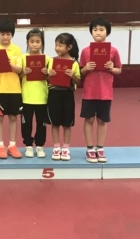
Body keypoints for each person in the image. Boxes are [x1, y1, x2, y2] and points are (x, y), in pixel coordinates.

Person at [79, 17, 122, 163]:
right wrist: (86, 68)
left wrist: (112, 68)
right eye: (95, 29)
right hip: (89, 92)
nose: (98, 32)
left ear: (107, 32)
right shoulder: (85, 51)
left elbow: (119, 70)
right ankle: (90, 148)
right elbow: (80, 71)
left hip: (105, 92)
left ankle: (100, 148)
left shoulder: (113, 51)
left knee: (102, 120)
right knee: (89, 119)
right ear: (91, 32)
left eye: (102, 30)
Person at [0, 18, 23, 159]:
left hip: (14, 89)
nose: (5, 37)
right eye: (2, 34)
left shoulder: (16, 50)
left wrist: (10, 65)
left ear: (12, 34)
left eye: (8, 34)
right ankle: (0, 146)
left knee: (13, 117)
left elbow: (19, 70)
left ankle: (12, 145)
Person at [46, 33, 81, 161]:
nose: (57, 48)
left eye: (60, 45)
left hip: (67, 95)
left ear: (69, 47)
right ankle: (56, 148)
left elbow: (78, 81)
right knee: (54, 123)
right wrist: (49, 74)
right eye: (56, 45)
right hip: (54, 94)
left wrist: (72, 75)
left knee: (67, 124)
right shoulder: (51, 61)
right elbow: (47, 80)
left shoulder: (74, 63)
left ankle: (65, 148)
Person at [20, 28, 49, 158]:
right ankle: (28, 145)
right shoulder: (22, 58)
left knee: (41, 123)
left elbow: (51, 79)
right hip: (26, 97)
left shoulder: (47, 59)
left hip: (42, 97)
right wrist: (23, 72)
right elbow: (17, 77)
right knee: (26, 123)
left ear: (42, 43)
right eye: (32, 41)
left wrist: (46, 74)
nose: (35, 44)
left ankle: (40, 145)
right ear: (27, 42)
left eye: (38, 42)